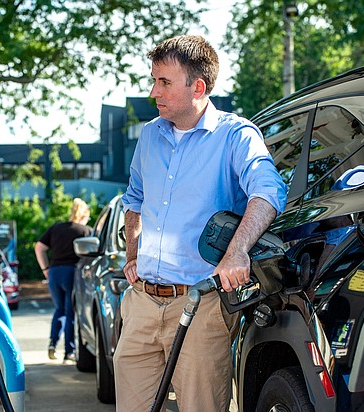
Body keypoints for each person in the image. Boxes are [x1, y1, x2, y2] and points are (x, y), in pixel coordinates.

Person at [115, 35, 287, 411]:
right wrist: (132, 255)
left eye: (164, 82)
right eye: (153, 79)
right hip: (142, 302)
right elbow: (134, 201)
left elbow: (269, 191)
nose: (153, 91)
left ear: (198, 87)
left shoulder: (236, 136)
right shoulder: (149, 136)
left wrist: (237, 251)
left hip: (201, 306)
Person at [34, 198, 92, 362]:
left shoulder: (56, 228)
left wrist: (45, 269)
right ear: (85, 214)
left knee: (59, 310)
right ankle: (69, 351)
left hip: (54, 273)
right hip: (72, 273)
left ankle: (52, 344)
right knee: (70, 312)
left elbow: (39, 248)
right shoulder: (86, 231)